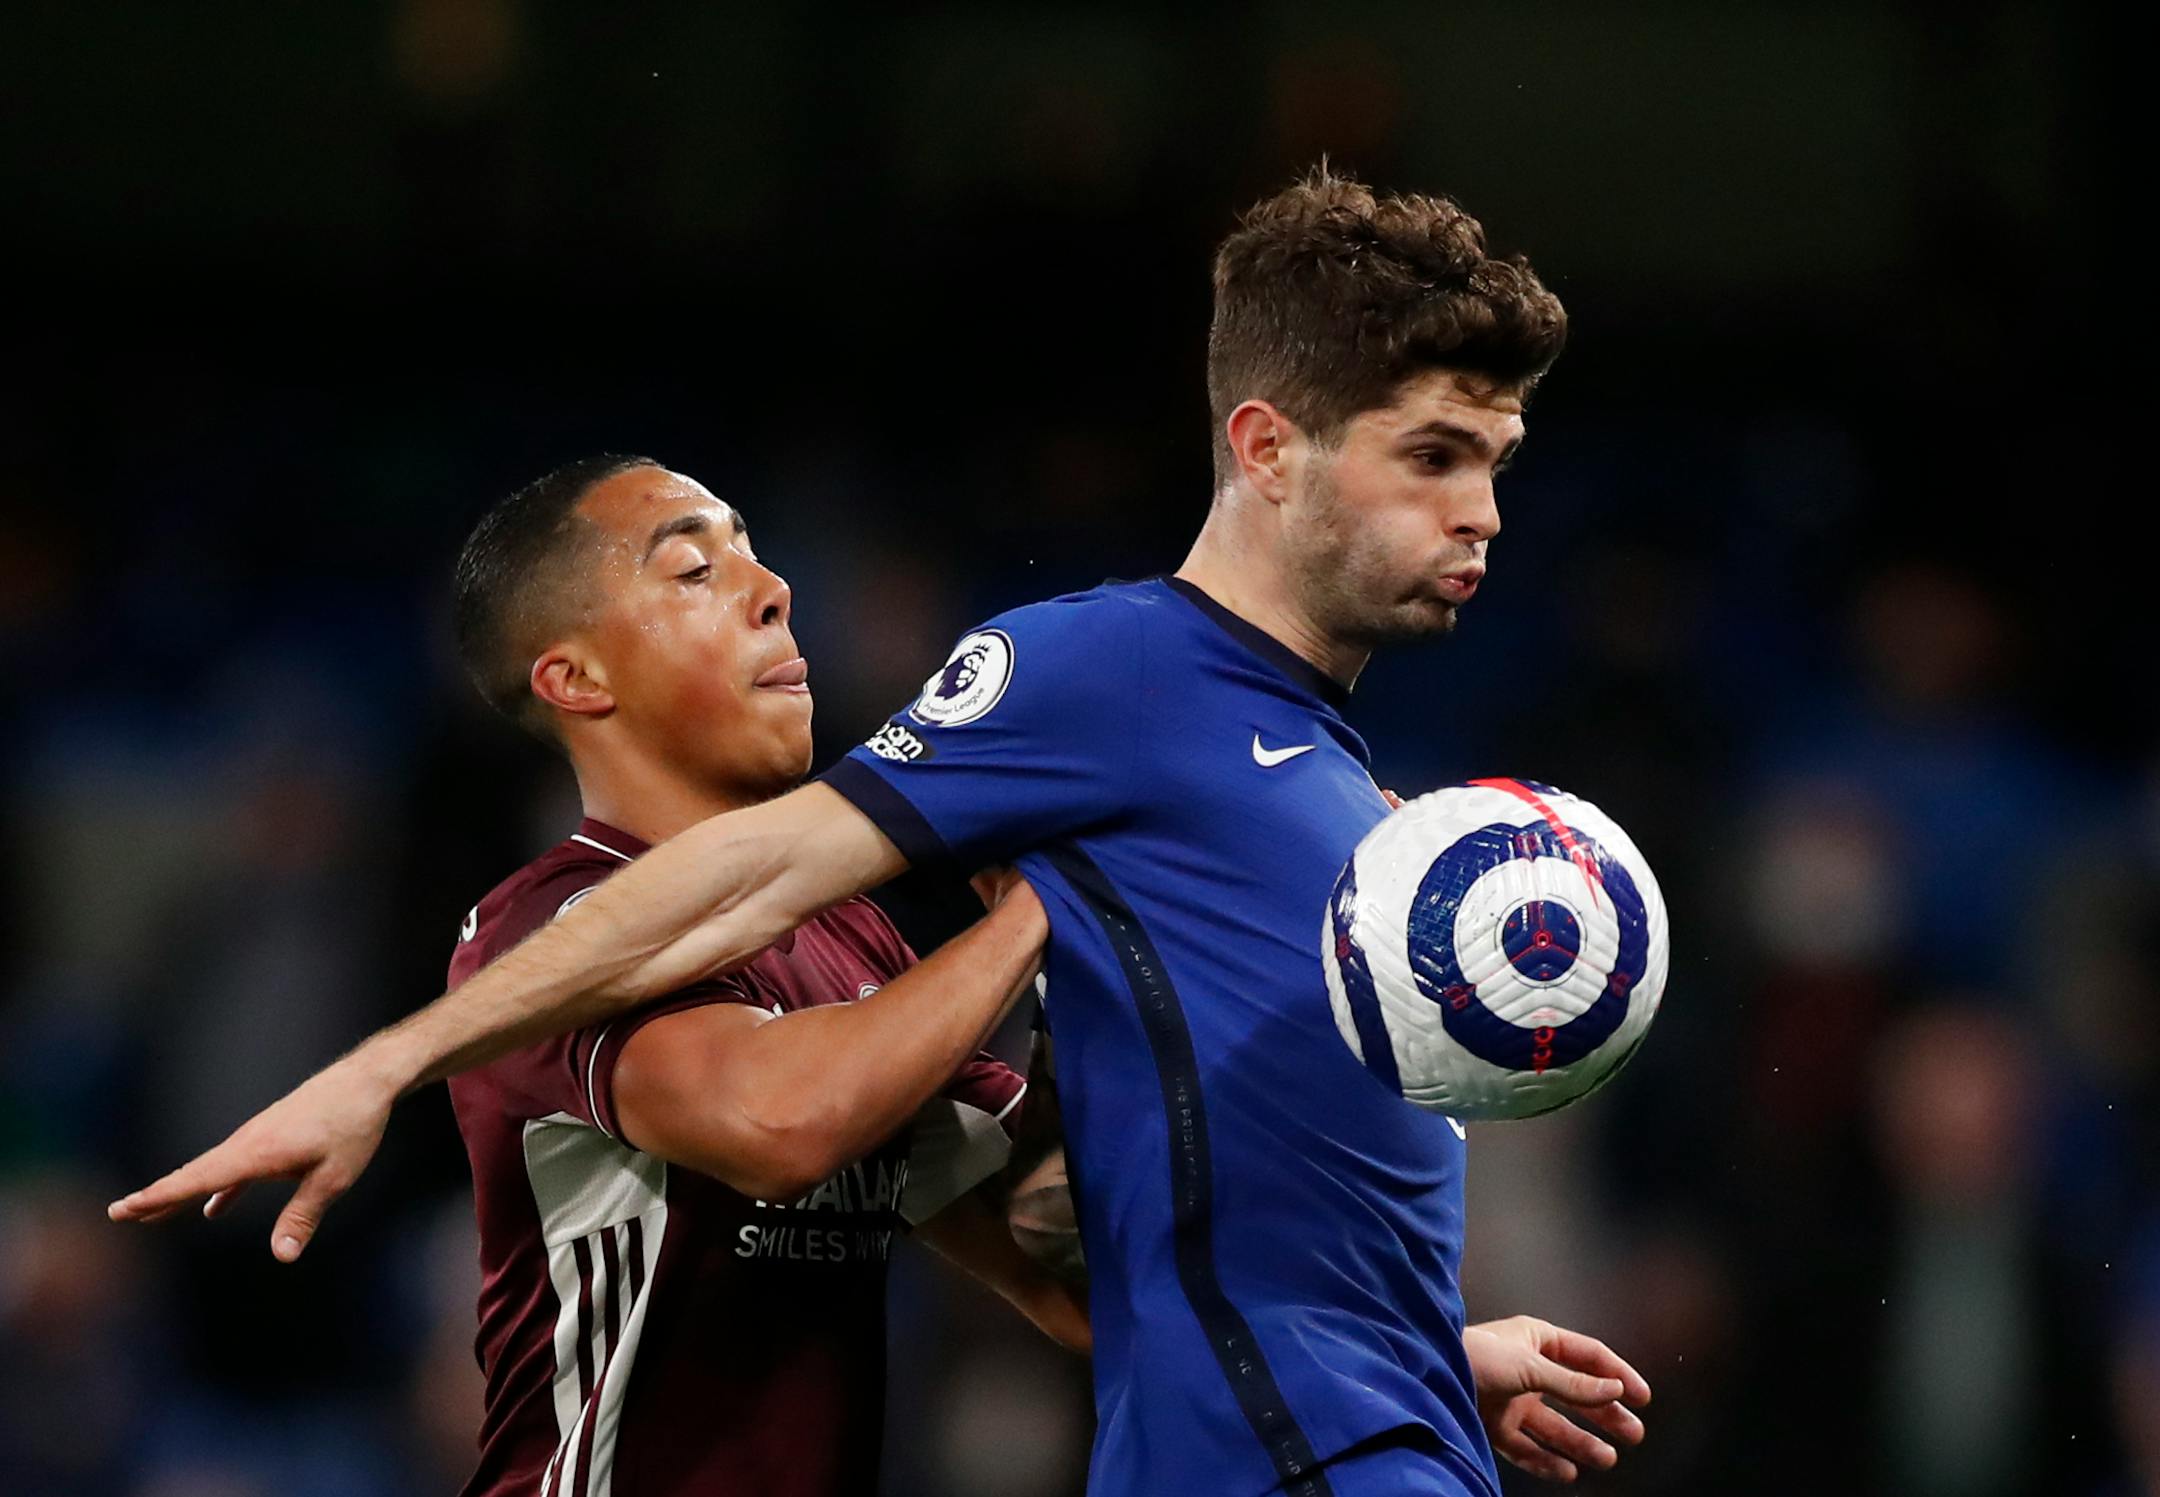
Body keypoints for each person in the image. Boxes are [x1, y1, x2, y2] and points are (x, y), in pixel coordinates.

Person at [116, 168, 1652, 1494]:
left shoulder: (1263, 785)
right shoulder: (1113, 679)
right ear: (1263, 446)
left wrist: (1431, 1353)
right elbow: (779, 1066)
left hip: (1371, 1429)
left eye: (1498, 466)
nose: (1486, 517)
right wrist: (386, 1061)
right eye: (1438, 456)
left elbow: (1061, 1252)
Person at [294, 454, 1089, 1495]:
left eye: (756, 554)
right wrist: (1041, 909)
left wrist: (1089, 984)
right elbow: (781, 1123)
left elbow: (1057, 1274)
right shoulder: (545, 935)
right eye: (694, 572)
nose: (774, 590)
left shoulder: (855, 944)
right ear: (578, 679)